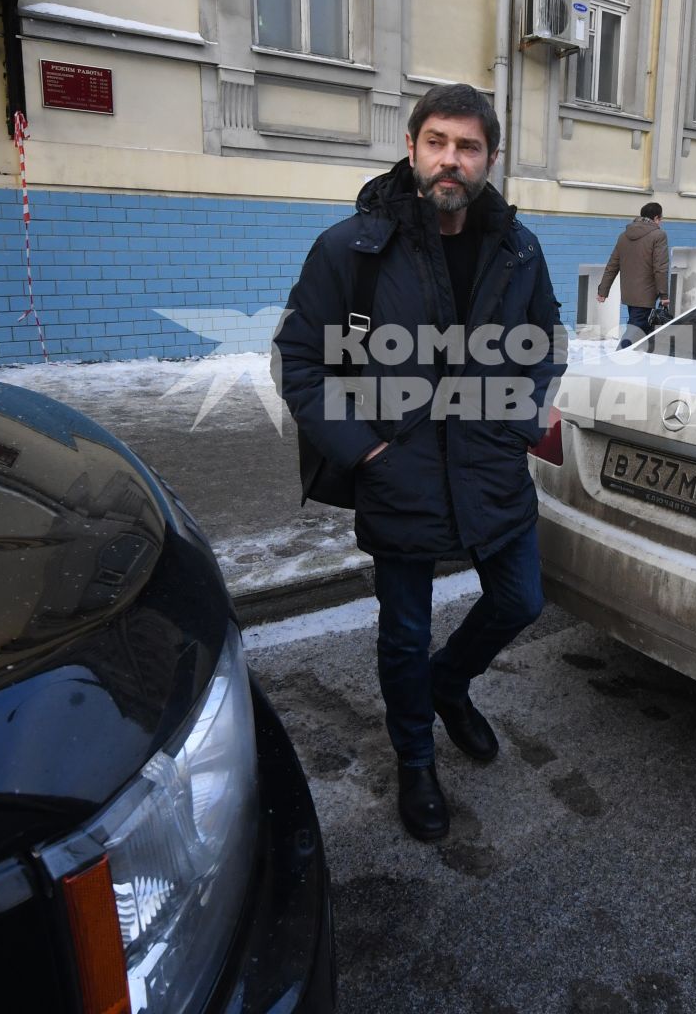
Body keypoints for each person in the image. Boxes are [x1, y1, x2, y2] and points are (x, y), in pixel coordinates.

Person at [274, 83, 564, 843]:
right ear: (411, 148)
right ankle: (415, 761)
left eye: (468, 147)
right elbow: (300, 361)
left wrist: (523, 414)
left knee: (522, 601)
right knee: (402, 633)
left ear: (489, 159)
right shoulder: (353, 246)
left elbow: (547, 337)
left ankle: (450, 681)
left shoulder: (519, 248)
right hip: (397, 471)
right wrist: (365, 448)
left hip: (492, 463)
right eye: (437, 141)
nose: (451, 159)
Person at [596, 201, 669, 347]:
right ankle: (619, 357)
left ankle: (640, 359)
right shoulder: (658, 235)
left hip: (629, 292)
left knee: (642, 329)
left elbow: (612, 265)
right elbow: (660, 268)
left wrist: (603, 290)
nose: (660, 223)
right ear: (656, 218)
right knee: (635, 328)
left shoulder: (624, 236)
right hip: (646, 293)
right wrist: (664, 295)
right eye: (660, 219)